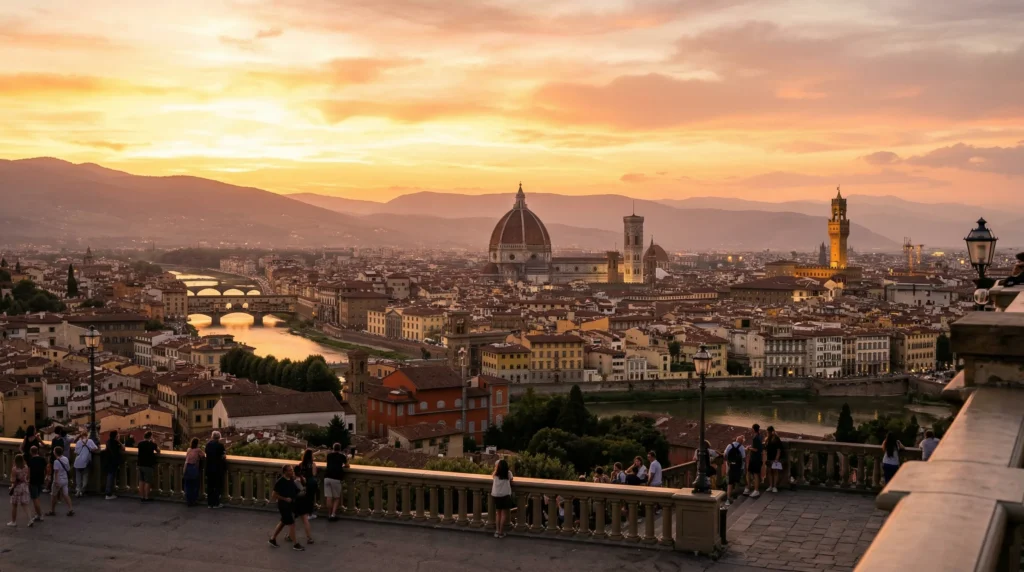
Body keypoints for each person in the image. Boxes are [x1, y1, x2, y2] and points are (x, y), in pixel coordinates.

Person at [268, 464, 304, 551]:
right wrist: (285, 498)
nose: (292, 471)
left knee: (283, 522)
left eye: (292, 470)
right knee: (291, 524)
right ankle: (295, 544)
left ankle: (272, 539)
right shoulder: (280, 481)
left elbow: (295, 490)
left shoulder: (291, 479)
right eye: (290, 470)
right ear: (285, 472)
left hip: (290, 504)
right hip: (283, 505)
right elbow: (274, 495)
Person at [290, 463, 315, 544]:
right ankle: (309, 538)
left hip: (297, 502)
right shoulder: (303, 479)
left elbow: (298, 492)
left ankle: (290, 536)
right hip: (304, 501)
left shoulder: (295, 481)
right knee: (305, 520)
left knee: (292, 520)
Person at [47, 446, 74, 517]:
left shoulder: (56, 461)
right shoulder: (65, 459)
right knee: (66, 495)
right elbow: (68, 468)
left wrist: (56, 482)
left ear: (55, 453)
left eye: (54, 451)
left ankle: (52, 510)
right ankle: (70, 509)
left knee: (53, 495)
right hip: (65, 479)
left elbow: (56, 472)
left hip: (58, 480)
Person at [324, 443, 348, 521]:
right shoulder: (342, 456)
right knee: (337, 498)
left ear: (333, 448)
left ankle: (328, 514)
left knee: (329, 497)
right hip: (336, 478)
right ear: (340, 449)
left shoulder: (329, 455)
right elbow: (347, 465)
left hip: (327, 477)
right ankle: (333, 515)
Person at [491, 458, 513, 538]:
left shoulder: (495, 474)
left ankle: (496, 531)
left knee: (498, 513)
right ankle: (501, 532)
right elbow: (511, 479)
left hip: (497, 495)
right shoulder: (508, 473)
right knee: (504, 514)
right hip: (505, 495)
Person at [9, 454, 33, 527]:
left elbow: (13, 480)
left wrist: (11, 484)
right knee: (25, 505)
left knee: (14, 505)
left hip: (17, 488)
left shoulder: (15, 469)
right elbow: (28, 477)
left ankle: (13, 521)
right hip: (25, 487)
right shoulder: (26, 467)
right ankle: (30, 519)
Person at [205, 431, 226, 509]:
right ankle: (216, 503)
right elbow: (223, 456)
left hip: (209, 468)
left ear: (212, 437)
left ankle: (210, 504)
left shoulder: (208, 445)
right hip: (217, 468)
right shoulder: (220, 446)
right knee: (217, 486)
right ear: (219, 437)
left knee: (210, 486)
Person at [73, 430, 98, 497]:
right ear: (87, 435)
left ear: (81, 436)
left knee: (78, 477)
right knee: (85, 476)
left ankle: (78, 490)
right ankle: (82, 491)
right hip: (86, 461)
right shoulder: (90, 441)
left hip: (77, 462)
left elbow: (76, 452)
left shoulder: (78, 442)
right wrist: (90, 449)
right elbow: (96, 448)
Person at [136, 431, 160, 502]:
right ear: (151, 437)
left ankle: (141, 497)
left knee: (141, 481)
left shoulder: (140, 444)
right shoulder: (152, 444)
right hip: (148, 465)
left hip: (140, 464)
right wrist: (153, 442)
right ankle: (146, 497)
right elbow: (158, 451)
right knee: (147, 482)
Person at [723, 435, 746, 506]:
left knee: (730, 483)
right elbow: (744, 458)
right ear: (742, 442)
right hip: (739, 467)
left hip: (730, 467)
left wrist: (728, 463)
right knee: (737, 482)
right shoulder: (741, 447)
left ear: (736, 440)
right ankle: (736, 496)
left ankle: (728, 498)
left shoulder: (729, 446)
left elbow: (725, 455)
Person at [27, 446, 47, 524]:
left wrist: (28, 480)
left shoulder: (30, 460)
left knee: (35, 499)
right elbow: (46, 469)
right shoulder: (42, 459)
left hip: (33, 481)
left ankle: (40, 514)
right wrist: (45, 477)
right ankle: (37, 514)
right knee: (37, 497)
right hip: (40, 480)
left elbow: (29, 472)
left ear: (31, 452)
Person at [183, 437, 205, 506]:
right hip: (194, 468)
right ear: (197, 444)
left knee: (188, 485)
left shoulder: (188, 450)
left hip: (187, 468)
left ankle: (188, 500)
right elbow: (203, 456)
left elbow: (187, 459)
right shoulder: (198, 450)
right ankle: (193, 500)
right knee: (195, 485)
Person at [297, 448, 319, 519]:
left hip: (303, 482)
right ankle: (309, 514)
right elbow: (314, 474)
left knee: (303, 498)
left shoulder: (301, 464)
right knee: (310, 498)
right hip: (311, 482)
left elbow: (298, 473)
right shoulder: (313, 464)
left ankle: (303, 513)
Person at [745, 424, 764, 498]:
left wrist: (749, 448)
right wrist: (751, 447)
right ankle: (749, 487)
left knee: (755, 474)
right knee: (749, 472)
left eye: (752, 428)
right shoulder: (760, 436)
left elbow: (756, 449)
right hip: (757, 458)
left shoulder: (755, 438)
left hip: (755, 458)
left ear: (753, 429)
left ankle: (756, 490)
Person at [103, 430, 122, 500]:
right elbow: (123, 448)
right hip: (113, 462)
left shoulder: (108, 442)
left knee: (109, 476)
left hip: (108, 461)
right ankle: (108, 493)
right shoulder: (115, 442)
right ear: (116, 436)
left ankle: (109, 492)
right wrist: (118, 440)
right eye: (118, 435)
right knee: (110, 477)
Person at [764, 426, 783, 493]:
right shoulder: (768, 439)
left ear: (771, 431)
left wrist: (776, 459)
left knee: (775, 472)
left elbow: (778, 450)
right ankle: (771, 486)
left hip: (774, 458)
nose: (767, 433)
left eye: (768, 432)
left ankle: (774, 486)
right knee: (769, 472)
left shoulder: (776, 439)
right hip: (769, 458)